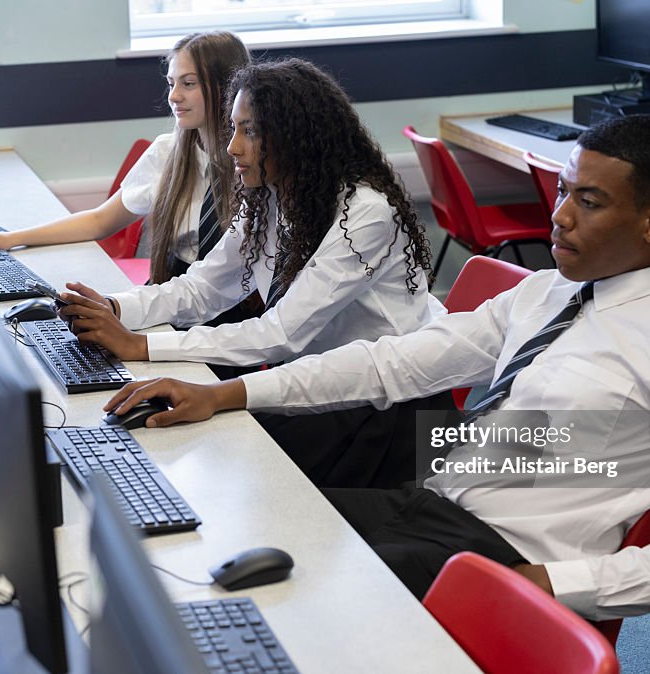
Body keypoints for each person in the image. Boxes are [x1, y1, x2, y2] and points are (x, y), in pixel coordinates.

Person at [97, 115, 650, 620]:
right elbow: (392, 363)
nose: (560, 217)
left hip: (502, 553)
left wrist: (547, 584)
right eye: (564, 192)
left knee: (290, 608)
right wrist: (229, 394)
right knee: (235, 522)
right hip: (426, 504)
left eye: (588, 202)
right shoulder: (544, 295)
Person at [59, 58, 446, 487]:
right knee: (206, 446)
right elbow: (203, 288)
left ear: (297, 136)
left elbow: (280, 334)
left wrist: (140, 345)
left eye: (251, 131)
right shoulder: (271, 197)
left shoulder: (365, 214)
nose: (232, 147)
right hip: (317, 381)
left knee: (229, 461)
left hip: (385, 405)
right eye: (234, 129)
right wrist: (113, 308)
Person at [0, 31, 248, 286]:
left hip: (236, 302)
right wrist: (11, 239)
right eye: (171, 83)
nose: (174, 96)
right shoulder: (167, 153)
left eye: (188, 84)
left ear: (227, 87)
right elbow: (100, 221)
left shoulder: (254, 164)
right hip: (173, 290)